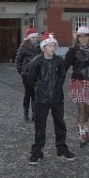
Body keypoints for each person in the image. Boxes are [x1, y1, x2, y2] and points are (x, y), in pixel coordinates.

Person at [28, 32, 74, 164]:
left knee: (60, 124)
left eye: (54, 45)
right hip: (41, 100)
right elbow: (31, 79)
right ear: (43, 47)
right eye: (49, 45)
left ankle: (62, 149)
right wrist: (39, 89)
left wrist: (57, 88)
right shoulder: (36, 61)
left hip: (57, 99)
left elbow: (62, 75)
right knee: (40, 126)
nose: (52, 48)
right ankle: (37, 151)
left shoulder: (59, 61)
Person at [15, 27, 40, 122]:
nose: (34, 39)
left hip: (36, 75)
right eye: (33, 38)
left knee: (35, 95)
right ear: (29, 38)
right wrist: (21, 72)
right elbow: (18, 61)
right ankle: (26, 113)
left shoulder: (40, 47)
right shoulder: (24, 47)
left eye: (35, 37)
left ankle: (34, 114)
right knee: (28, 94)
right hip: (26, 75)